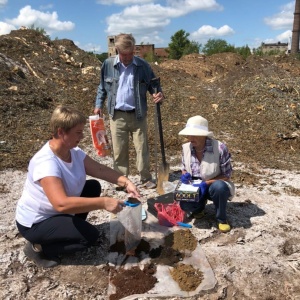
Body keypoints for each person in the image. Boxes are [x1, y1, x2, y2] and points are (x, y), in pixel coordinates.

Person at [15, 105, 140, 268]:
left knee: (93, 186)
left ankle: (69, 228)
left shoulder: (72, 151)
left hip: (58, 212)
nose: (82, 137)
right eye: (78, 132)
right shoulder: (46, 163)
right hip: (38, 222)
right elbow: (61, 204)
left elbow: (99, 169)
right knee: (88, 238)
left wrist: (125, 182)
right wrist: (104, 203)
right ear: (61, 132)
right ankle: (37, 248)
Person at [94, 33, 164, 189]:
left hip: (138, 115)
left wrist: (157, 93)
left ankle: (145, 178)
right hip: (117, 115)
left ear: (134, 50)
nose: (127, 58)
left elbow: (153, 84)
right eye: (123, 54)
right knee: (119, 150)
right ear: (117, 50)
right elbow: (102, 87)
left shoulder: (143, 65)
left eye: (130, 54)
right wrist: (98, 104)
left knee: (142, 148)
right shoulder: (107, 64)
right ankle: (121, 179)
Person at [178, 115, 235, 233]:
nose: (190, 138)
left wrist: (206, 183)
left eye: (194, 135)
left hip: (214, 185)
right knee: (185, 205)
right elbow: (184, 168)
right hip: (196, 186)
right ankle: (199, 208)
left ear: (204, 135)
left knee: (219, 188)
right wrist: (184, 175)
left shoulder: (220, 148)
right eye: (188, 134)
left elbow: (227, 174)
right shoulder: (186, 148)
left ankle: (221, 218)